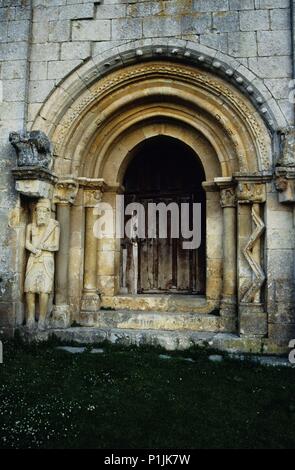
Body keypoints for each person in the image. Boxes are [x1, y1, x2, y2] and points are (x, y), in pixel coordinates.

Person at [24, 198, 60, 330]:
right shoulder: (30, 226)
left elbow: (56, 245)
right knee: (29, 288)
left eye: (43, 212)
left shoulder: (54, 226)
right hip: (33, 259)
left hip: (46, 259)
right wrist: (33, 249)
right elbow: (26, 242)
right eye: (38, 212)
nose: (41, 214)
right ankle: (30, 318)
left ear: (48, 213)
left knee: (44, 290)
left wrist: (45, 247)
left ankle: (43, 319)